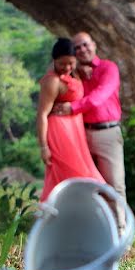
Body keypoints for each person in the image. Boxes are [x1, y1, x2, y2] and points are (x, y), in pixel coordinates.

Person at [52, 32, 127, 232]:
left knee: (113, 183)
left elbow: (99, 96)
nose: (83, 49)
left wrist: (73, 107)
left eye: (85, 45)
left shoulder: (108, 68)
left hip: (107, 132)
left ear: (94, 45)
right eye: (77, 48)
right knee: (86, 185)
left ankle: (119, 231)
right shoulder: (74, 74)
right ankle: (94, 231)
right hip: (80, 134)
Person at [36, 38, 105, 202]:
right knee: (72, 173)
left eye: (71, 63)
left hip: (75, 132)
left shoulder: (74, 72)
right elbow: (42, 114)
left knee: (82, 174)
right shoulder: (52, 81)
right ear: (54, 61)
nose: (66, 68)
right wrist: (44, 146)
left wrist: (79, 67)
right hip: (59, 132)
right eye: (61, 64)